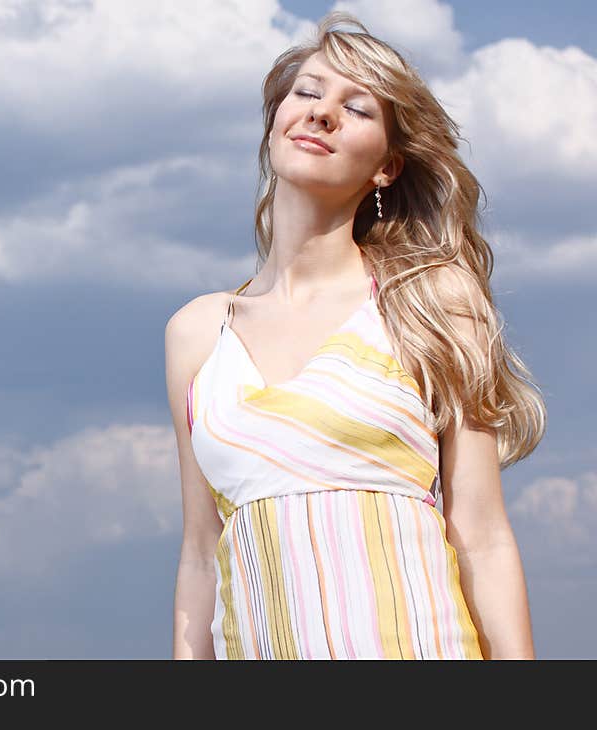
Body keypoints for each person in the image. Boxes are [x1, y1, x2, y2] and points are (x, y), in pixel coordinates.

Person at [164, 10, 546, 660]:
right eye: (307, 93)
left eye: (357, 107)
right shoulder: (197, 331)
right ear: (276, 121)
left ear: (388, 168)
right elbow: (202, 556)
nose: (321, 113)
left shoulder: (430, 301)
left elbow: (481, 533)